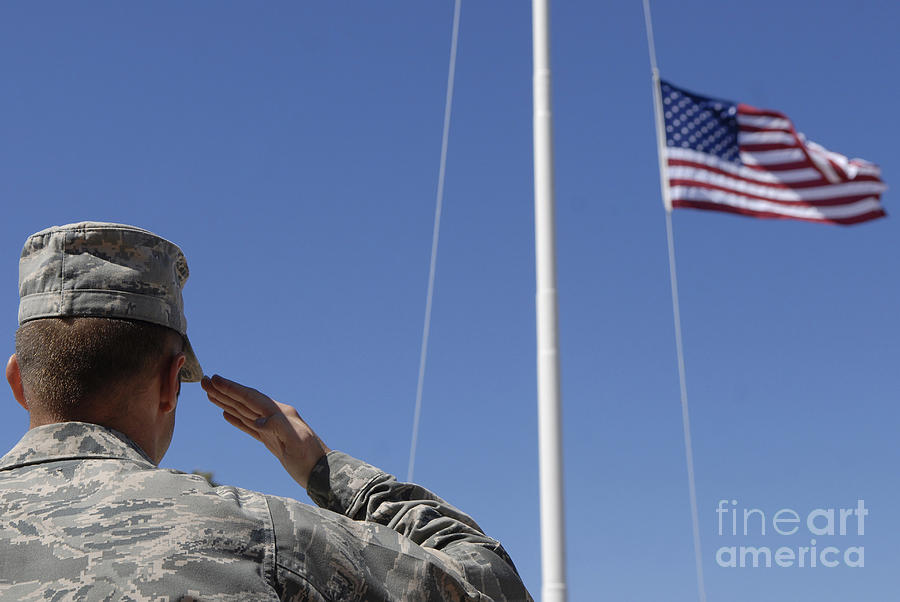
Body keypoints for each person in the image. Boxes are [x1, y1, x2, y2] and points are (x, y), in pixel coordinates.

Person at [0, 222, 532, 601]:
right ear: (170, 382)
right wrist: (326, 470)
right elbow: (490, 584)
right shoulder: (265, 537)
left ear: (18, 381)